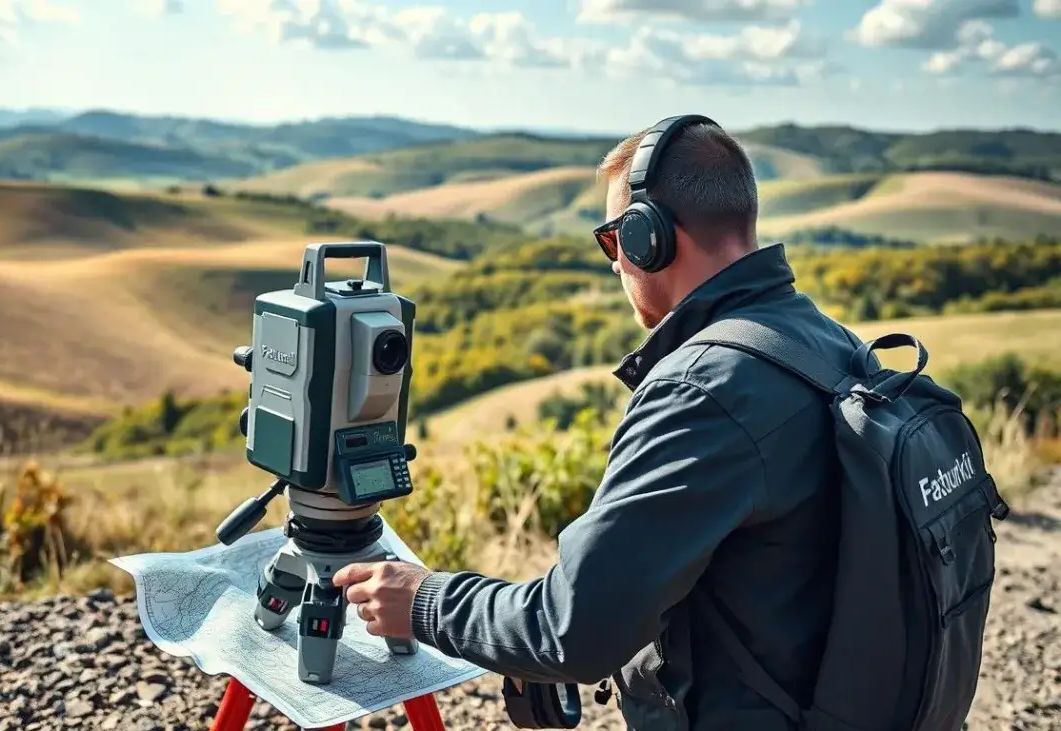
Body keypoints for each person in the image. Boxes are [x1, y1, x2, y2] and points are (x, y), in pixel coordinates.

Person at [333, 116, 868, 730]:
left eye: (614, 241)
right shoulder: (829, 343)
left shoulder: (704, 392)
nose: (614, 264)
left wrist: (423, 601)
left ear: (649, 239)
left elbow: (573, 632)